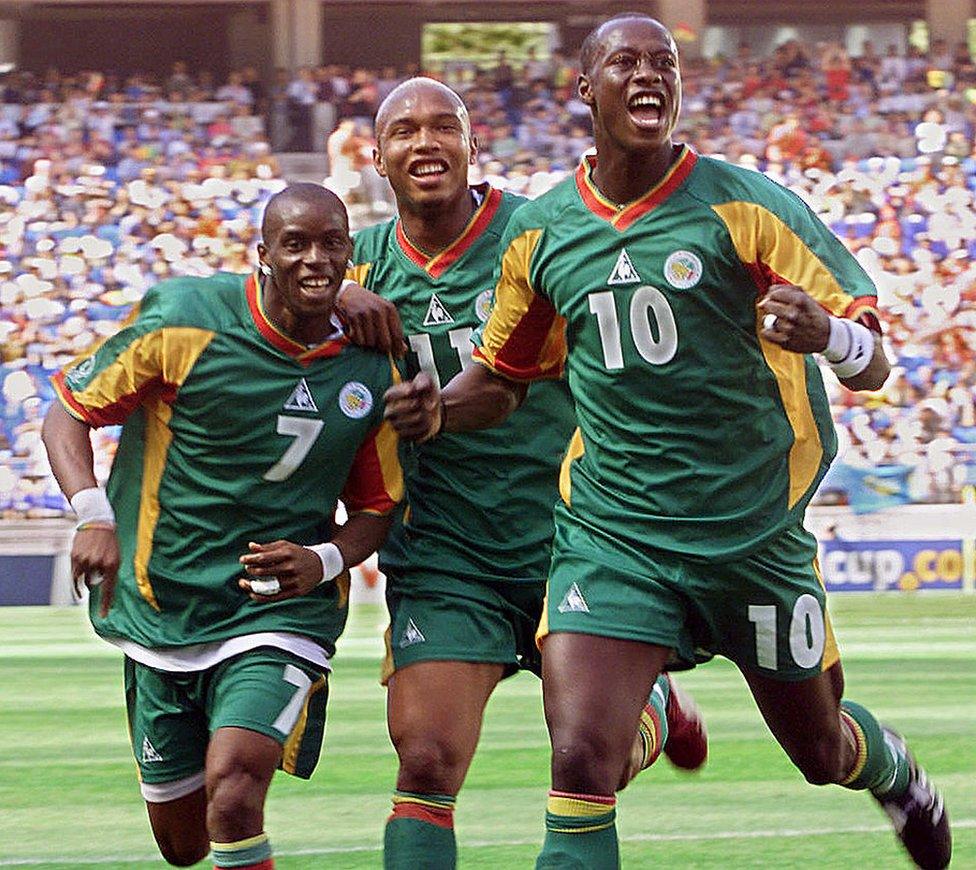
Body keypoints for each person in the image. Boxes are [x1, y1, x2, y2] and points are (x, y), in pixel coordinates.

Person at [384, 17, 951, 870]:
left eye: (665, 64)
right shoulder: (543, 234)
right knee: (579, 760)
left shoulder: (745, 205)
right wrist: (436, 411)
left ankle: (888, 765)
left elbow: (873, 361)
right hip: (615, 535)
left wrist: (830, 334)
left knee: (819, 752)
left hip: (750, 535)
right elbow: (502, 376)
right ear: (586, 89)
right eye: (626, 63)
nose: (648, 76)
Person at [335, 77, 707, 869]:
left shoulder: (542, 235)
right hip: (444, 551)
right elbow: (267, 292)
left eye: (444, 128)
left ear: (475, 148)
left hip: (572, 536)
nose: (425, 143)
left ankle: (655, 698)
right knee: (426, 760)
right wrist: (330, 289)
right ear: (378, 157)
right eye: (404, 132)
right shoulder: (359, 269)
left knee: (589, 762)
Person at [41, 183, 403, 870]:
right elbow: (68, 410)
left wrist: (324, 560)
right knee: (183, 846)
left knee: (236, 793)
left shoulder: (371, 364)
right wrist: (92, 513)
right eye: (295, 244)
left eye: (331, 244)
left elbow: (378, 508)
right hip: (161, 608)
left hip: (277, 614)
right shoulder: (184, 320)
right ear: (261, 255)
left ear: (350, 254)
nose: (314, 259)